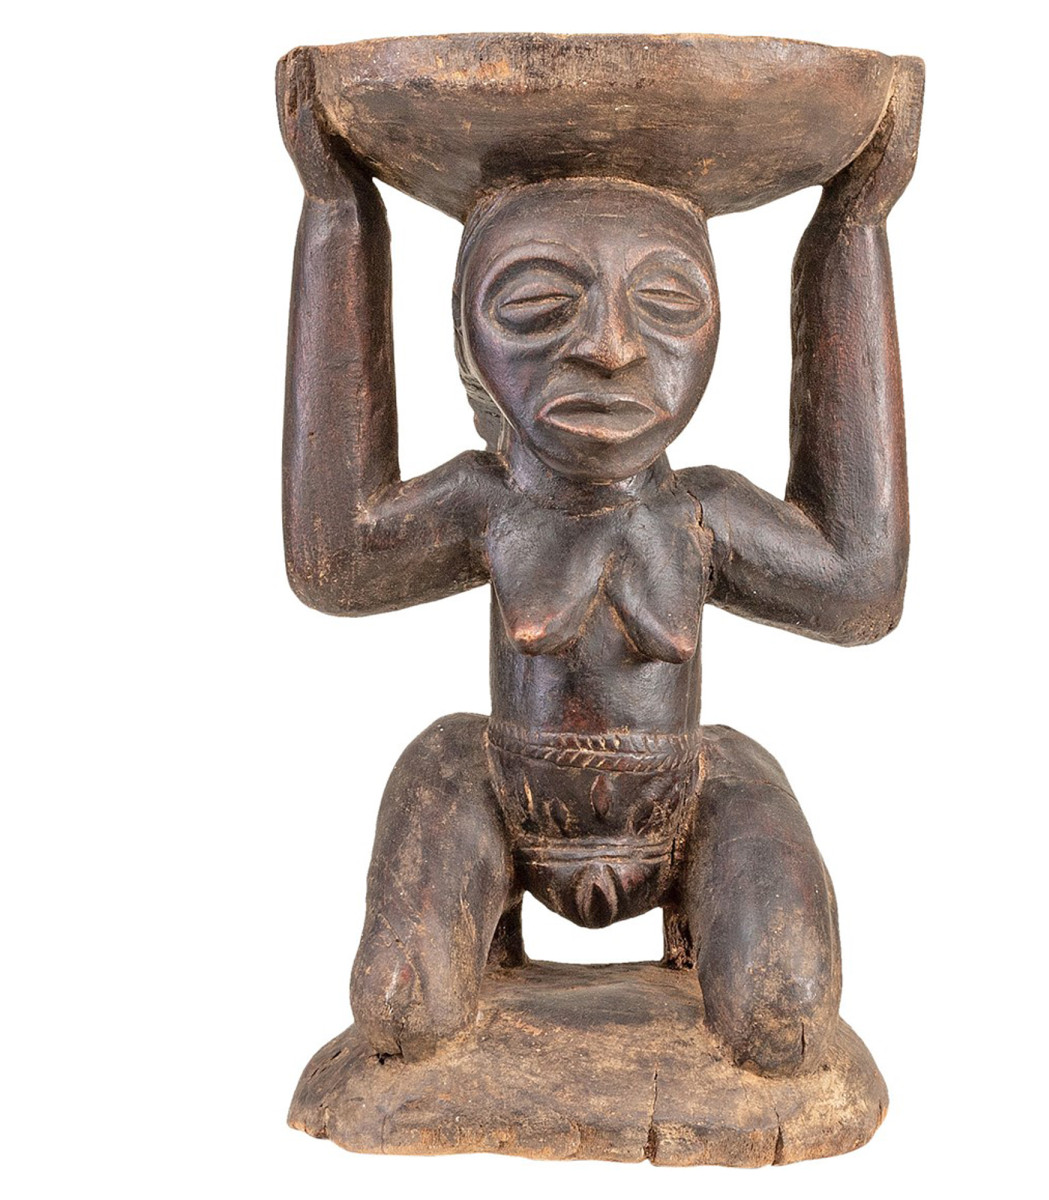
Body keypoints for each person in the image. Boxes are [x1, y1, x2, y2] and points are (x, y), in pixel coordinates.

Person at [277, 47, 919, 1076]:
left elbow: (860, 588)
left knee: (786, 1021)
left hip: (689, 801)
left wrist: (854, 227)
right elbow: (334, 561)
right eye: (537, 305)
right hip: (499, 792)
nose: (612, 349)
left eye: (668, 303)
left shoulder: (701, 514)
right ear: (469, 337)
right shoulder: (488, 506)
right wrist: (337, 211)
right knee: (402, 1014)